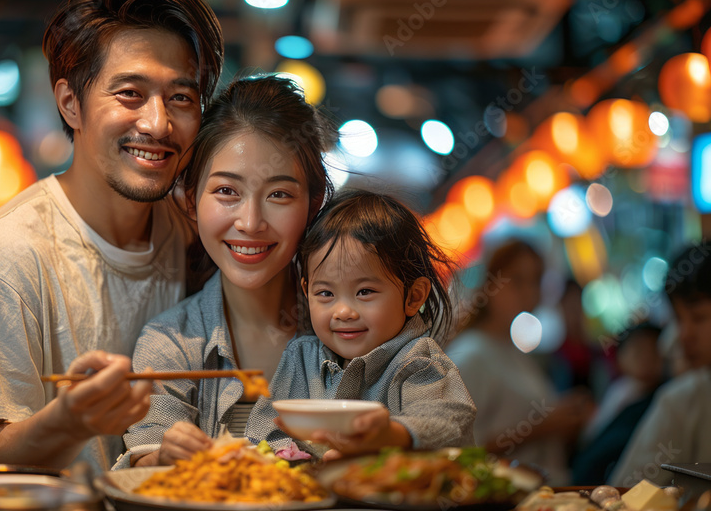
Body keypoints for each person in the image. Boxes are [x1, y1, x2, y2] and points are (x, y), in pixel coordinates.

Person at [0, 0, 223, 471]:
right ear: (71, 104)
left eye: (180, 97)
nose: (157, 124)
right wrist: (69, 419)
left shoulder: (200, 237)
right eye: (130, 94)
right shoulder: (3, 261)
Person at [117, 74, 336, 468]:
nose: (251, 222)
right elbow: (142, 458)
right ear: (190, 201)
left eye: (279, 195)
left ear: (314, 202)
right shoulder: (171, 343)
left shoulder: (352, 327)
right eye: (226, 192)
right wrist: (163, 456)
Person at [251, 189, 477, 461]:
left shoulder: (419, 361)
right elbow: (265, 429)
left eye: (365, 292)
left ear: (414, 296)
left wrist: (393, 435)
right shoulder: (300, 357)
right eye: (325, 294)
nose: (344, 311)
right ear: (306, 291)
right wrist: (289, 457)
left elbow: (448, 422)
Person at [447, 240, 591, 486]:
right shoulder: (472, 353)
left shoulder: (513, 350)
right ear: (491, 284)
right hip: (500, 498)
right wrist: (541, 428)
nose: (529, 292)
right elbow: (455, 449)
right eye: (517, 280)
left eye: (536, 281)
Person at [609, 242, 711, 487]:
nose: (684, 334)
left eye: (699, 317)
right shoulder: (682, 400)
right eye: (678, 318)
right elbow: (625, 497)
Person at [572, 322, 663, 485]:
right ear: (620, 357)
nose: (646, 357)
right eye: (637, 351)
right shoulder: (617, 390)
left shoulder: (661, 398)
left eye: (653, 350)